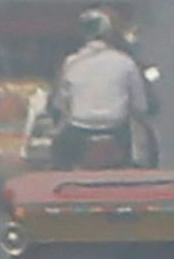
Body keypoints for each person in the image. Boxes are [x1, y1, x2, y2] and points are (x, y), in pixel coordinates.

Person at [51, 13, 151, 167]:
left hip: (78, 129)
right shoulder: (125, 62)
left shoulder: (71, 62)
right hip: (116, 130)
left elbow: (60, 103)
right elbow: (140, 106)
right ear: (109, 34)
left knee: (59, 160)